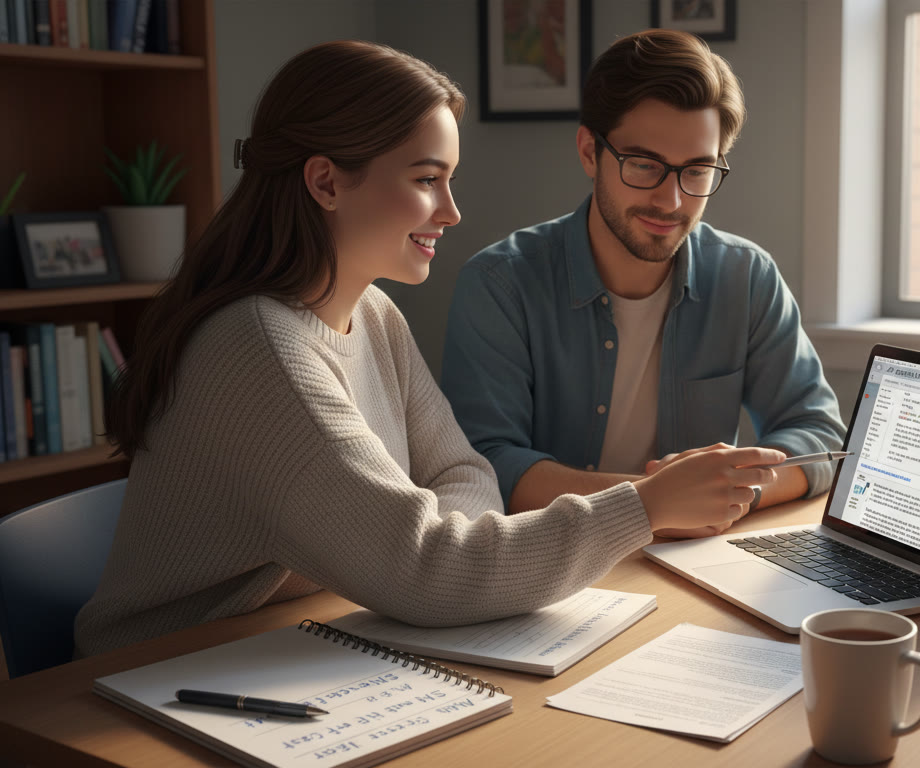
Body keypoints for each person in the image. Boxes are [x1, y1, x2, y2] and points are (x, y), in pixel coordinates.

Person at [73, 40, 781, 658]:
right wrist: (644, 506)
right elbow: (428, 568)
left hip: (299, 636)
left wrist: (398, 547)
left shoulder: (374, 315)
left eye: (450, 178)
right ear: (325, 181)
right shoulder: (261, 348)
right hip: (163, 676)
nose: (451, 210)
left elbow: (463, 471)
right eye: (425, 179)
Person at [440, 29, 844, 535]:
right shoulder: (500, 285)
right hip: (552, 564)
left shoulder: (747, 276)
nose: (671, 201)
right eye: (645, 165)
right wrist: (653, 504)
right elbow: (485, 464)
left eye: (696, 171)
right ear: (590, 152)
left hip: (697, 556)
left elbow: (820, 436)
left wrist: (726, 493)